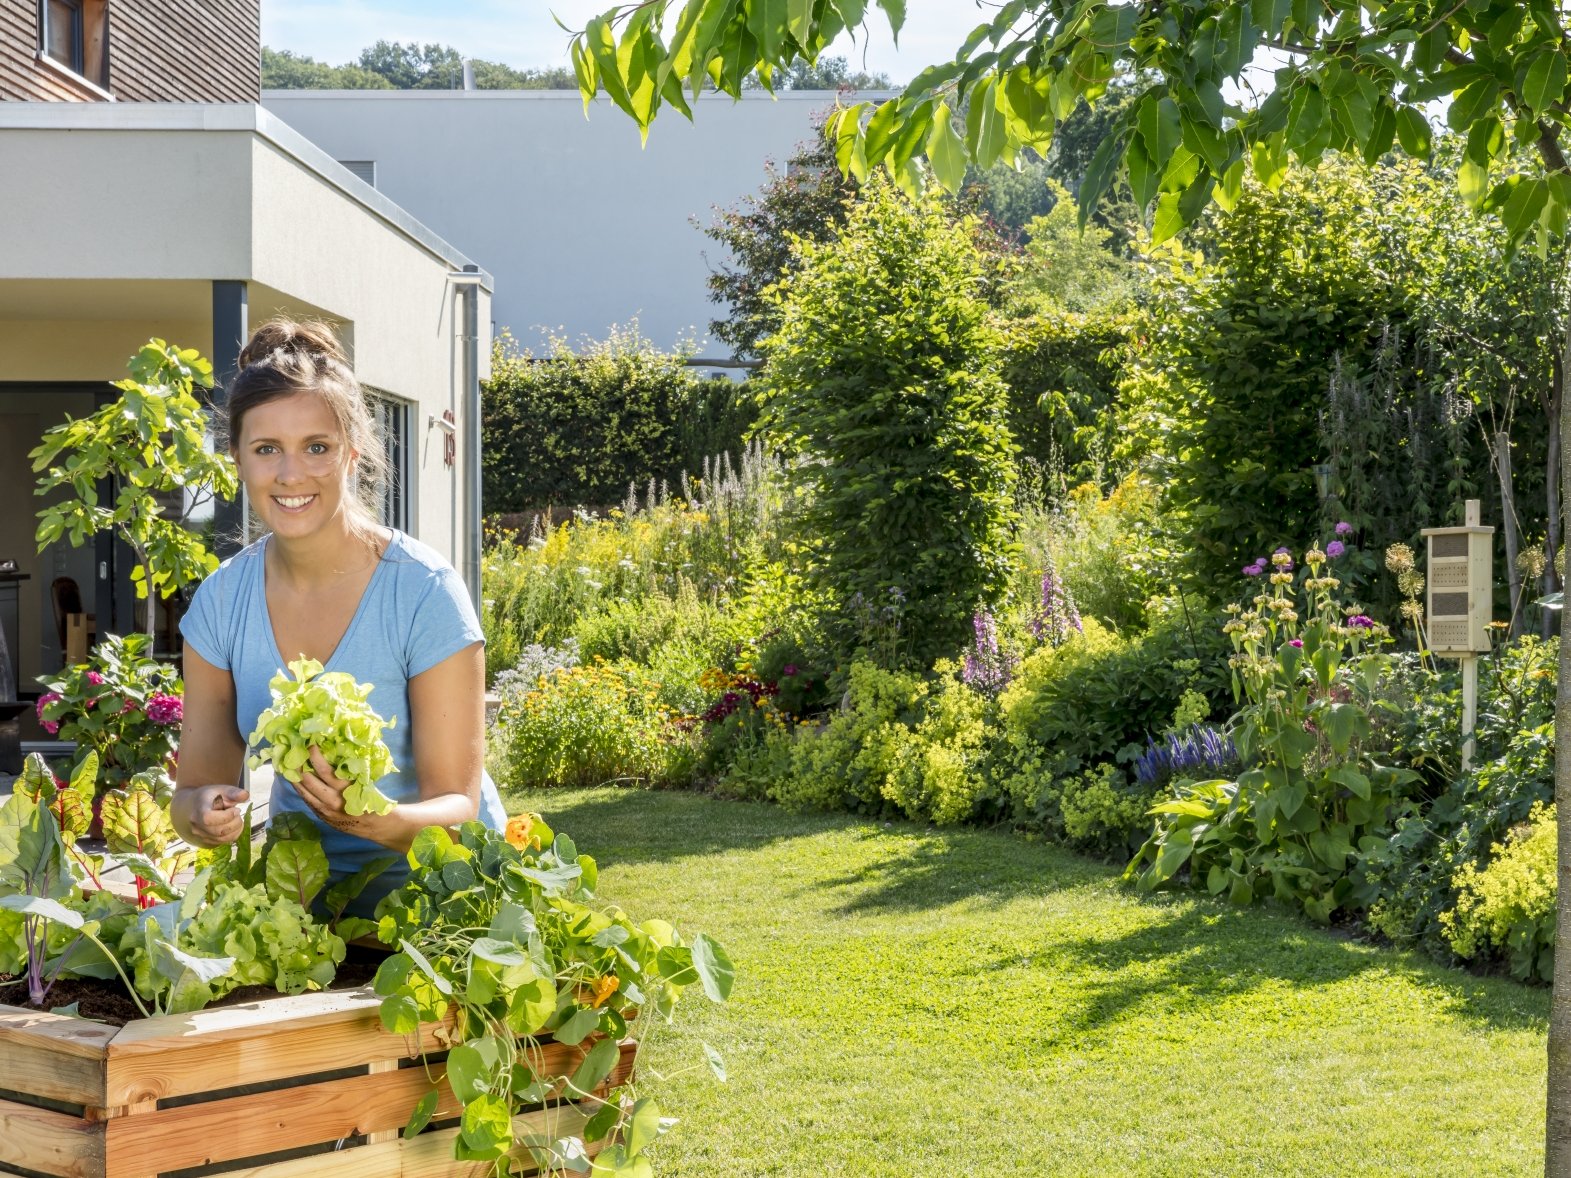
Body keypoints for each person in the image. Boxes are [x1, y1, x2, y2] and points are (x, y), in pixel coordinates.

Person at [170, 318, 506, 908]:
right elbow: (195, 787)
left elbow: (459, 807)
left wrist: (373, 819)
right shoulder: (221, 604)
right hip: (306, 907)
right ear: (238, 460)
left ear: (353, 455)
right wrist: (201, 812)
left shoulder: (423, 591)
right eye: (266, 449)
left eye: (317, 448)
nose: (291, 474)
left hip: (445, 907)